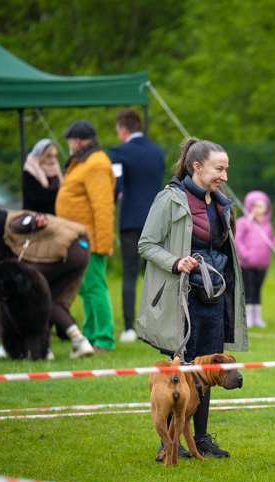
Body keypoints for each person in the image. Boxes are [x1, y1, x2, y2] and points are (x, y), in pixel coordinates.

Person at [137, 137, 247, 459]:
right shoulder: (169, 199)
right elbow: (146, 244)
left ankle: (201, 439)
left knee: (207, 371)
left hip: (213, 299)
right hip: (180, 299)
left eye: (226, 169)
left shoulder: (221, 203)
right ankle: (167, 443)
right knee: (179, 371)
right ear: (196, 167)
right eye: (219, 169)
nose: (224, 176)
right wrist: (175, 261)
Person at [0, 209, 95, 358]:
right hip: (82, 248)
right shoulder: (15, 225)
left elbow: (27, 222)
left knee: (15, 293)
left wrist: (34, 221)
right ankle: (79, 341)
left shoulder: (12, 222)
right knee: (49, 299)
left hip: (67, 249)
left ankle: (7, 346)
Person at [55, 120, 116, 352]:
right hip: (79, 240)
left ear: (78, 141)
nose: (69, 144)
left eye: (70, 140)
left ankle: (104, 339)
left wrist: (103, 243)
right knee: (86, 288)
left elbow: (103, 207)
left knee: (94, 287)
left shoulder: (96, 163)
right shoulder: (85, 161)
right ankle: (91, 335)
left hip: (91, 242)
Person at [108, 108, 166, 344]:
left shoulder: (119, 152)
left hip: (131, 221)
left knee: (130, 274)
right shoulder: (157, 151)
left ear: (123, 128)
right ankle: (157, 326)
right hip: (157, 219)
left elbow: (116, 186)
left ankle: (130, 328)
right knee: (157, 274)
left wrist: (113, 201)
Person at [235, 190, 275, 327]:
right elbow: (237, 241)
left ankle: (257, 317)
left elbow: (271, 243)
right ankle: (247, 317)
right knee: (248, 290)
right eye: (255, 206)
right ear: (249, 206)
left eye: (262, 206)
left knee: (257, 290)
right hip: (246, 265)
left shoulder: (267, 225)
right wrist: (246, 256)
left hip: (262, 265)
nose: (259, 210)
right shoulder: (244, 223)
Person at [21, 138, 62, 214]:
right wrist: (62, 192)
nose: (53, 160)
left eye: (55, 156)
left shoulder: (55, 171)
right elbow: (39, 197)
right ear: (40, 156)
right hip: (35, 218)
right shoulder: (30, 172)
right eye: (49, 156)